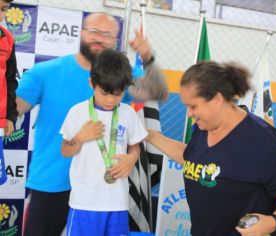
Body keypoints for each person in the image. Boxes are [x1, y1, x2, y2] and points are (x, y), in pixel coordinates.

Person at [16, 12, 167, 236]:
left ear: (116, 41)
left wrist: (148, 58)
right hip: (51, 182)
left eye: (107, 34)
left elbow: (159, 92)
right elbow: (12, 109)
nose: (100, 39)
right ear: (81, 32)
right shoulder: (45, 72)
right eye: (94, 31)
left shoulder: (119, 76)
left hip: (103, 192)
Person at [146, 61, 276, 236]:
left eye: (193, 106)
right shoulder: (203, 127)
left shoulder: (261, 139)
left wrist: (272, 222)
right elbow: (191, 157)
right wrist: (150, 135)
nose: (189, 114)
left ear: (216, 100)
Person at [60, 49, 147, 236]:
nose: (110, 100)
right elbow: (65, 151)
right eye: (104, 93)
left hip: (118, 203)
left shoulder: (128, 113)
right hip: (84, 203)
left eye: (117, 94)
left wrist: (132, 158)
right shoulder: (78, 112)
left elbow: (135, 147)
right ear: (92, 83)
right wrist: (80, 137)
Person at [0, 0, 17, 185]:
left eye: (3, 10)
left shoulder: (8, 39)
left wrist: (10, 116)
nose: (0, 14)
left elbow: (10, 80)